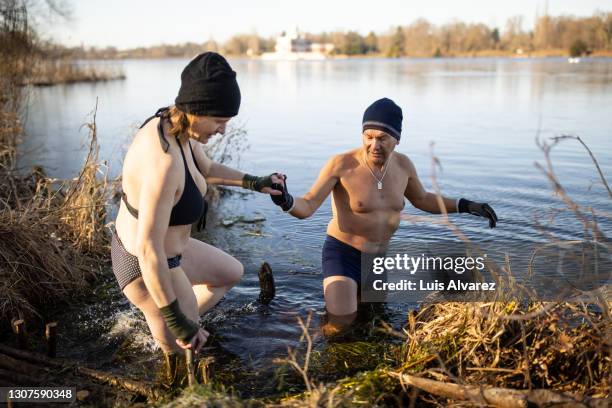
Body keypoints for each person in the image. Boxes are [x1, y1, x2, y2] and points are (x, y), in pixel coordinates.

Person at [111, 52, 284, 361]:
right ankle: (173, 325)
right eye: (220, 121)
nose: (223, 130)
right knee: (184, 361)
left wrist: (257, 182)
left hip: (171, 252)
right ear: (197, 109)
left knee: (230, 272)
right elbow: (149, 249)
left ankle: (170, 320)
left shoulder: (178, 127)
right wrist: (180, 321)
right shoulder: (162, 163)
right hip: (147, 263)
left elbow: (206, 169)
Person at [270, 98, 497, 331]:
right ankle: (303, 343)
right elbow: (307, 205)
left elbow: (423, 199)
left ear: (397, 139)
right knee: (341, 324)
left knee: (373, 318)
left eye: (382, 138)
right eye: (368, 137)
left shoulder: (403, 166)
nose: (374, 145)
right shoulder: (341, 165)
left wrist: (466, 205)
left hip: (377, 260)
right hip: (342, 253)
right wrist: (285, 200)